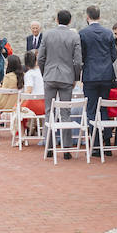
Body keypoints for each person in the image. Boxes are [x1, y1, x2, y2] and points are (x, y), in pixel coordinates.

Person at [38, 9, 82, 157]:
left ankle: (49, 146)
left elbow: (41, 58)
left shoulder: (47, 34)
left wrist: (45, 73)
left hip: (50, 75)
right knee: (65, 112)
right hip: (66, 76)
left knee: (49, 111)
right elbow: (78, 61)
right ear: (70, 21)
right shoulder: (74, 36)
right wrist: (75, 77)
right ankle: (67, 149)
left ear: (57, 20)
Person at [78, 6, 117, 155]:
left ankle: (95, 144)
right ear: (99, 17)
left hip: (90, 75)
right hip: (107, 74)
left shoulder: (83, 33)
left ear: (87, 17)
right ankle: (107, 142)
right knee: (104, 108)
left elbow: (81, 55)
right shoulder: (108, 33)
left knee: (91, 109)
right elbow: (113, 55)